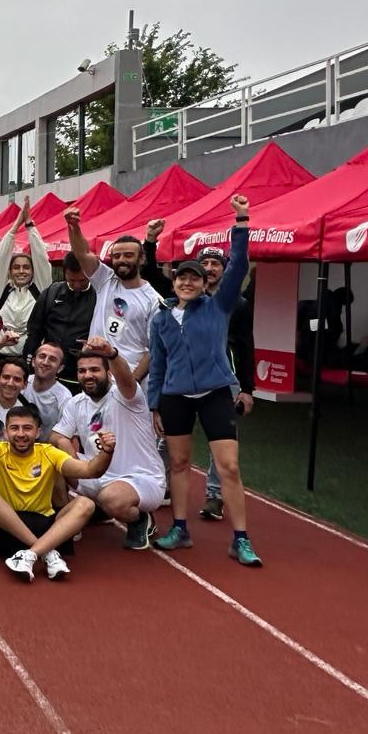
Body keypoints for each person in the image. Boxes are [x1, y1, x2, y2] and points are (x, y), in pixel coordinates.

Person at [149, 196, 261, 567]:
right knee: (179, 464)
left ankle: (241, 539)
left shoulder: (219, 305)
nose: (187, 282)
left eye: (194, 277)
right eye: (181, 276)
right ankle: (180, 529)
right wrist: (154, 405)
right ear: (174, 281)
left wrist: (241, 221)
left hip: (215, 393)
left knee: (229, 466)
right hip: (175, 397)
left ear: (203, 283)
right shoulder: (161, 318)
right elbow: (158, 364)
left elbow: (238, 264)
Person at [0, 401, 114, 581]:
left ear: (38, 432)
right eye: (14, 428)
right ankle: (46, 552)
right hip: (6, 526)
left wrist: (107, 452)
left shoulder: (48, 452)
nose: (21, 434)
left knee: (86, 504)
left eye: (27, 428)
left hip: (43, 524)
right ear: (6, 432)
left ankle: (30, 554)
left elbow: (91, 471)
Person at [52, 338, 164, 550]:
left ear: (109, 373)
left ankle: (139, 519)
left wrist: (111, 354)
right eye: (82, 371)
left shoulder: (127, 396)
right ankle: (73, 515)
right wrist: (66, 448)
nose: (88, 375)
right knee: (53, 455)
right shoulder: (76, 403)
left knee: (111, 498)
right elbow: (56, 436)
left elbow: (127, 379)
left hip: (139, 478)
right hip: (95, 473)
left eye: (94, 370)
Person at [67, 205, 160, 378]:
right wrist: (73, 226)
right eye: (116, 256)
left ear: (142, 259)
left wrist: (132, 382)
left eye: (128, 255)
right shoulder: (105, 279)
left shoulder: (153, 300)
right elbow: (82, 253)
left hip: (128, 377)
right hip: (95, 374)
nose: (121, 260)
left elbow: (153, 350)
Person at [0, 196, 53, 356]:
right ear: (9, 271)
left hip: (31, 356)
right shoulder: (1, 290)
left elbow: (41, 258)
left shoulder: (40, 290)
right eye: (16, 267)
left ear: (33, 271)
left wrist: (30, 225)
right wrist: (16, 225)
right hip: (2, 355)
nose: (21, 271)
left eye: (26, 267)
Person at [0, 335, 70, 438]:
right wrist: (0, 343)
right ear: (33, 361)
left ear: (60, 368)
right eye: (42, 356)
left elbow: (65, 435)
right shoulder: (17, 378)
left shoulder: (64, 397)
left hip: (41, 445)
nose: (45, 362)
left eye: (52, 359)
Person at [22, 253, 97, 386]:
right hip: (48, 368)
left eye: (82, 280)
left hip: (80, 370)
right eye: (72, 280)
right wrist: (28, 365)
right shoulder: (52, 292)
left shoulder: (99, 296)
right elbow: (34, 331)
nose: (77, 285)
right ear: (64, 273)